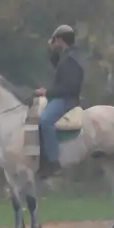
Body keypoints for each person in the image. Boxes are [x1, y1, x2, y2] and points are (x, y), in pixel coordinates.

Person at [35, 25, 84, 179]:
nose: (52, 42)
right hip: (60, 97)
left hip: (67, 100)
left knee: (45, 121)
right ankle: (41, 160)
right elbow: (56, 65)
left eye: (54, 39)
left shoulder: (71, 59)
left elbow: (68, 86)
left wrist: (47, 92)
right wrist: (52, 50)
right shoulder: (67, 56)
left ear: (60, 39)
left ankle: (53, 162)